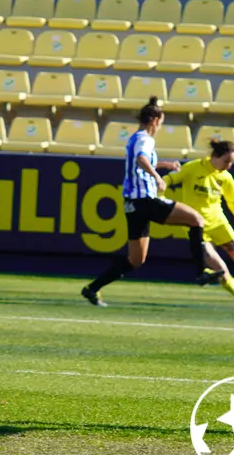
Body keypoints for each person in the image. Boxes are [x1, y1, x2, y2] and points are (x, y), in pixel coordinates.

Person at [81, 97, 221, 307]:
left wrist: (164, 165)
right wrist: (157, 177)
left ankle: (92, 289)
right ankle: (201, 271)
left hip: (133, 205)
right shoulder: (145, 139)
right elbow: (141, 159)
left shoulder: (136, 138)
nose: (160, 127)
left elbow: (142, 159)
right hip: (146, 200)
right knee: (196, 219)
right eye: (161, 122)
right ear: (154, 120)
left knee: (136, 259)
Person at [163, 139, 234, 311]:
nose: (229, 166)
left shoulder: (226, 178)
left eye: (232, 162)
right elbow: (170, 179)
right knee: (220, 268)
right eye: (227, 161)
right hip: (196, 226)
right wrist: (159, 188)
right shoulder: (193, 168)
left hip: (219, 223)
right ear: (214, 156)